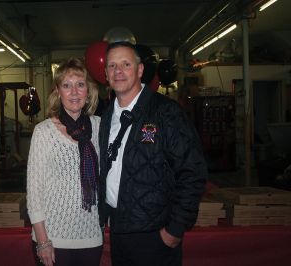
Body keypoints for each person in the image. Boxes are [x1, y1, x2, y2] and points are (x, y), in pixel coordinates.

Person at [98, 42, 207, 266]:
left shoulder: (166, 112)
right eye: (112, 65)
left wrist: (174, 230)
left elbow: (192, 172)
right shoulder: (106, 117)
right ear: (106, 74)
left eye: (126, 64)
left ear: (140, 70)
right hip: (118, 231)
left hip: (155, 235)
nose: (118, 71)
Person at [26, 58, 102, 266]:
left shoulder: (100, 127)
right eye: (66, 86)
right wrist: (43, 241)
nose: (74, 92)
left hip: (91, 235)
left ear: (89, 91)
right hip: (52, 238)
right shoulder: (44, 132)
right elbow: (34, 191)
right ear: (58, 92)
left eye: (80, 84)